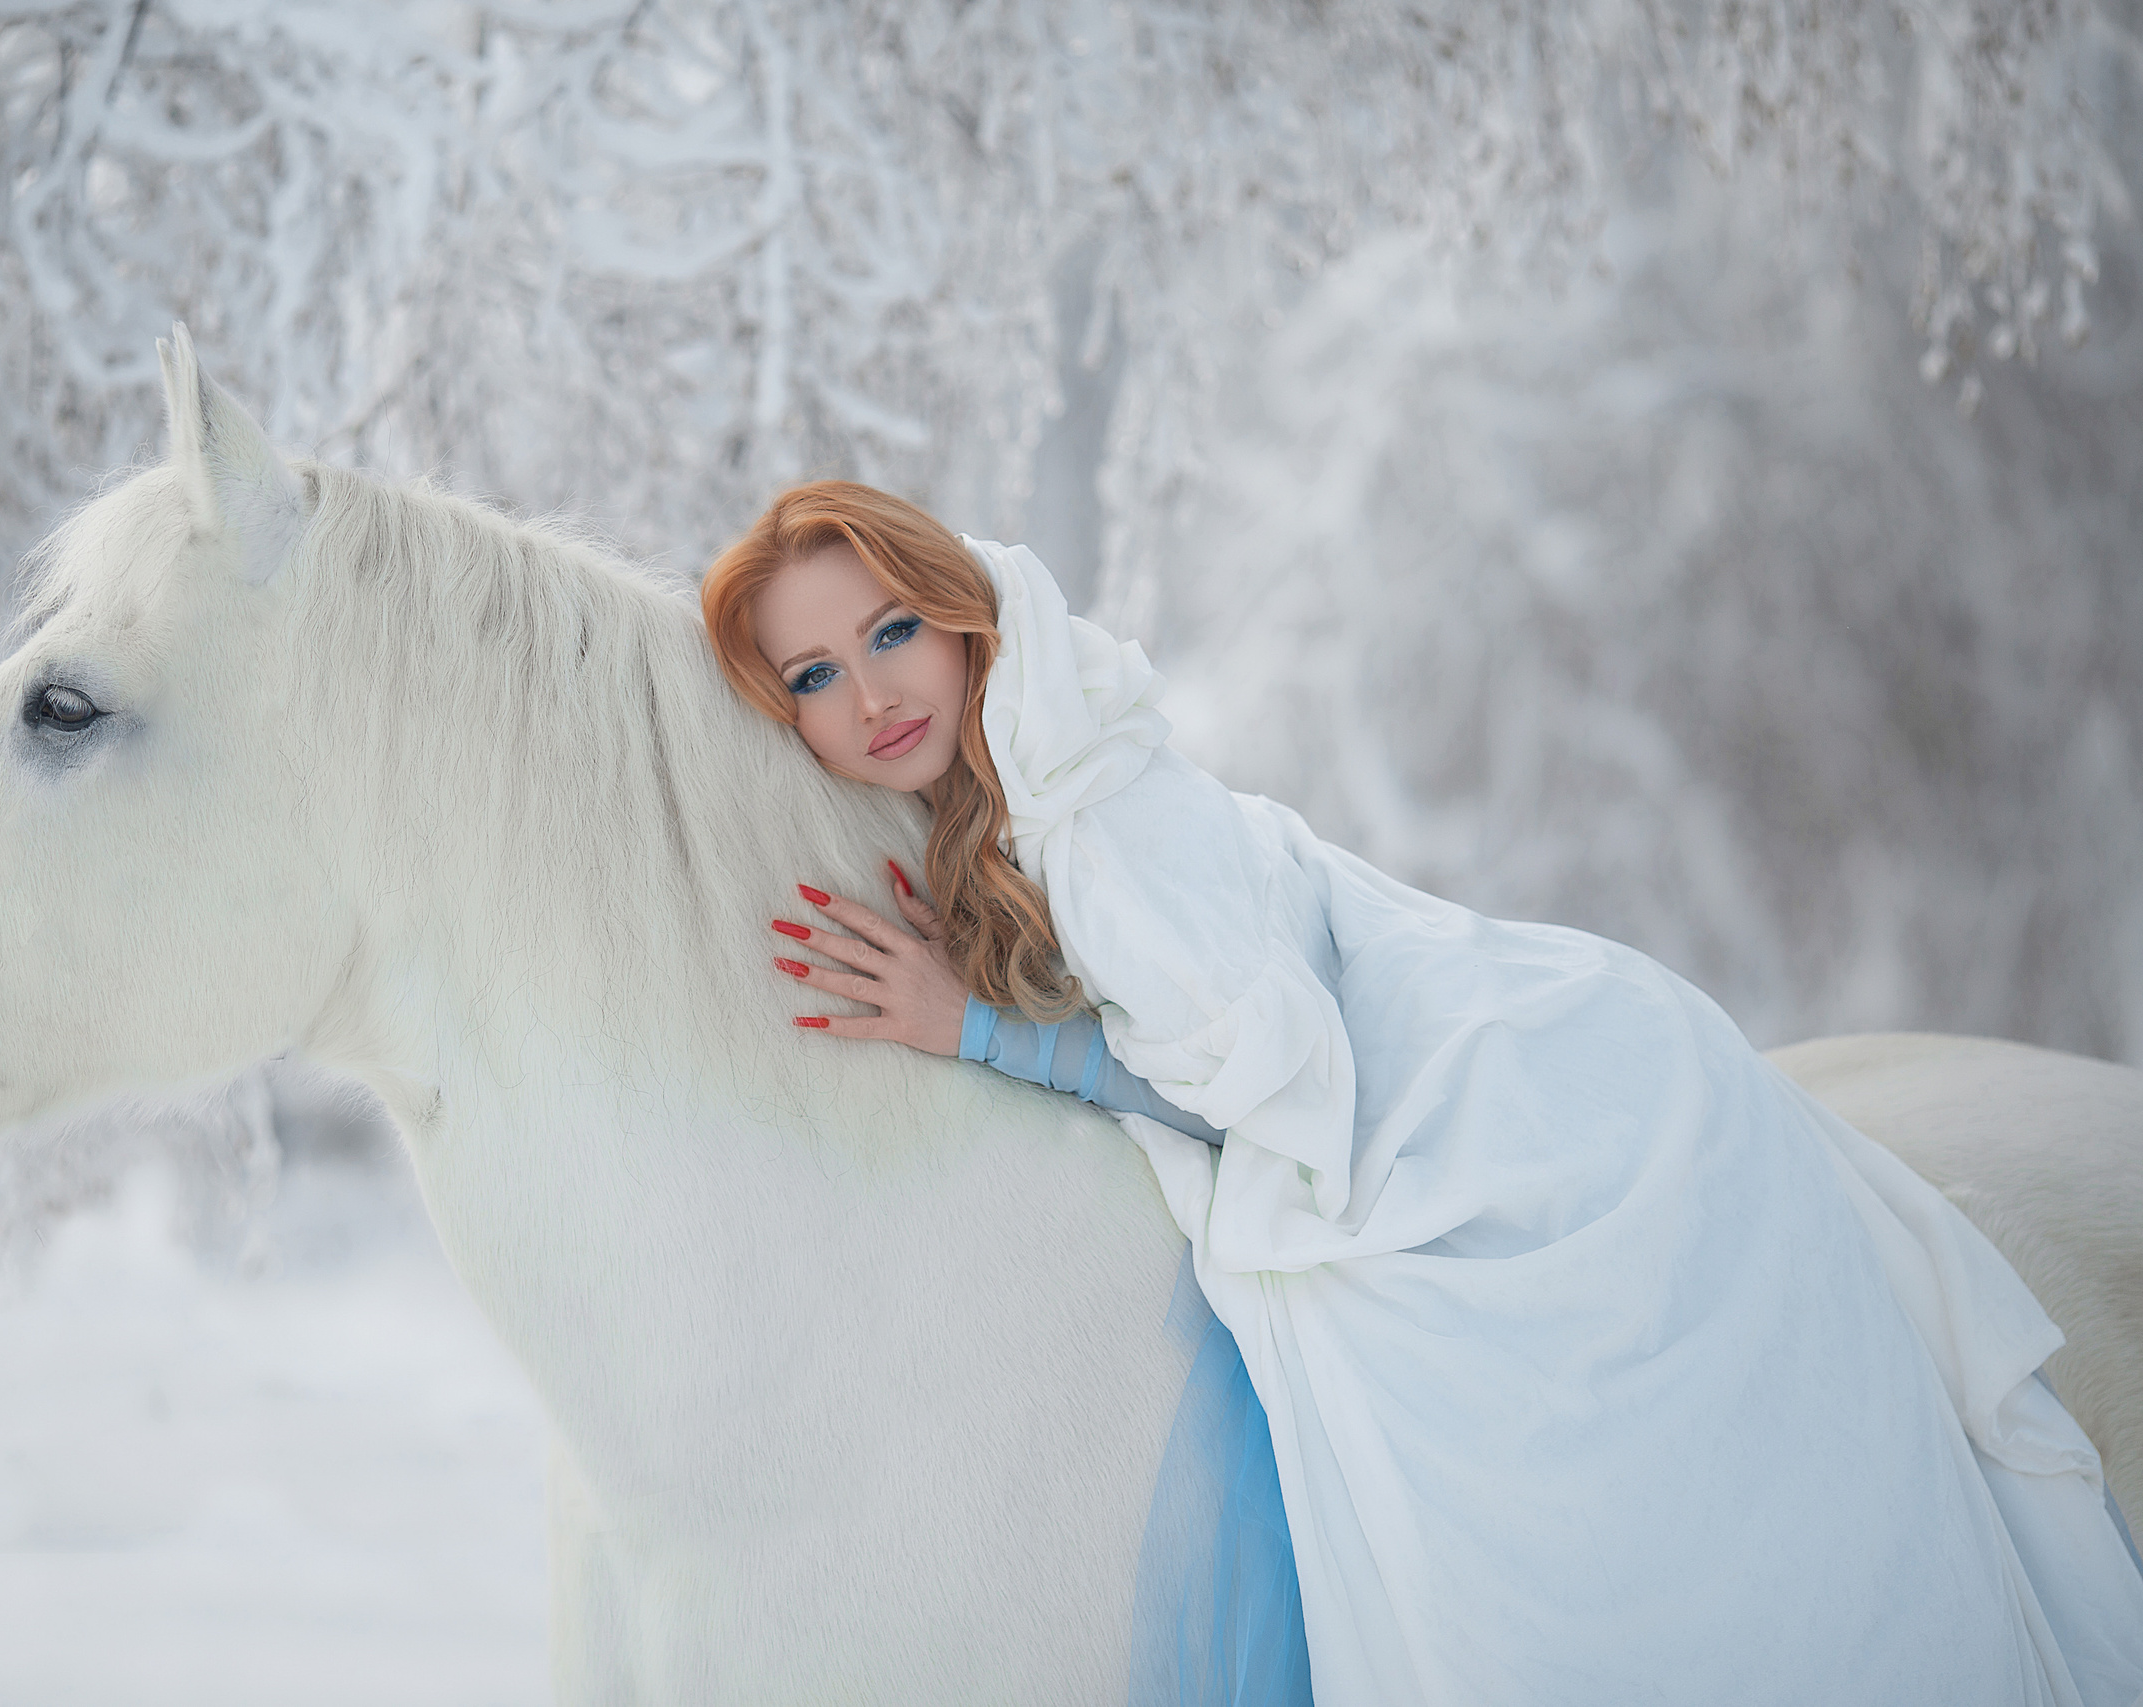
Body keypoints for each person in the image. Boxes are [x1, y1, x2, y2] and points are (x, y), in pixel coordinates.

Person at [700, 481, 2143, 1706]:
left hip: (1541, 1108)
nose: (873, 692)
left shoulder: (1095, 809)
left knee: (1519, 1495)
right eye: (815, 674)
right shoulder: (1023, 787)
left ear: (961, 621)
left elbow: (1276, 1100)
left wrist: (980, 1033)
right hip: (1493, 1048)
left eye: (892, 631)